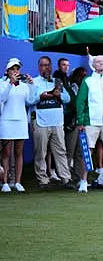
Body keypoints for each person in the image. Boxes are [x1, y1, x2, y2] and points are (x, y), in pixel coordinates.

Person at [76, 56, 103, 192]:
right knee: (87, 151)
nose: (101, 63)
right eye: (98, 62)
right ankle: (83, 181)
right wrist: (81, 120)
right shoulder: (88, 81)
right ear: (93, 65)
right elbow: (81, 101)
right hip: (91, 121)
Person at [31, 56, 73, 189]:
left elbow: (67, 99)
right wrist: (40, 96)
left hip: (57, 122)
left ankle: (65, 178)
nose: (46, 68)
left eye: (48, 65)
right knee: (40, 152)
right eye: (43, 65)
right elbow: (29, 100)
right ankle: (43, 179)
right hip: (40, 121)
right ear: (39, 67)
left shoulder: (57, 81)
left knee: (61, 150)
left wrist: (58, 95)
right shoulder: (34, 82)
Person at [0, 58, 35, 192]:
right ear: (7, 71)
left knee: (19, 152)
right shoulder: (2, 84)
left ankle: (18, 182)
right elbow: (2, 98)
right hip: (6, 120)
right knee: (6, 153)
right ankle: (5, 183)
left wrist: (32, 86)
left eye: (17, 69)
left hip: (20, 120)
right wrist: (10, 84)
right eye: (12, 69)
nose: (15, 71)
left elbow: (31, 100)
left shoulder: (24, 85)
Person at [64, 67, 88, 188]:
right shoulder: (70, 88)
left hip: (83, 123)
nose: (82, 78)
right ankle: (66, 177)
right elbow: (73, 103)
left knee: (80, 152)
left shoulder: (87, 88)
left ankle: (79, 177)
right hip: (73, 123)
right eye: (80, 75)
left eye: (84, 75)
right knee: (69, 151)